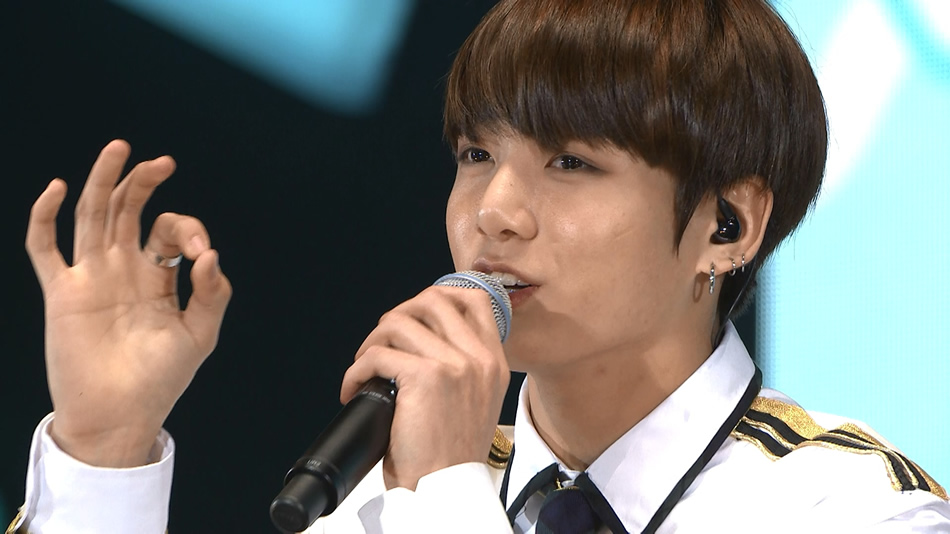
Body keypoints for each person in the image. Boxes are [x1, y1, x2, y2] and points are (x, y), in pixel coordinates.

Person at [10, 0, 950, 532]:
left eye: (571, 162)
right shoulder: (385, 499)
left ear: (728, 224)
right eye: (475, 154)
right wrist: (103, 453)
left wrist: (448, 498)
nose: (493, 211)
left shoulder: (853, 510)